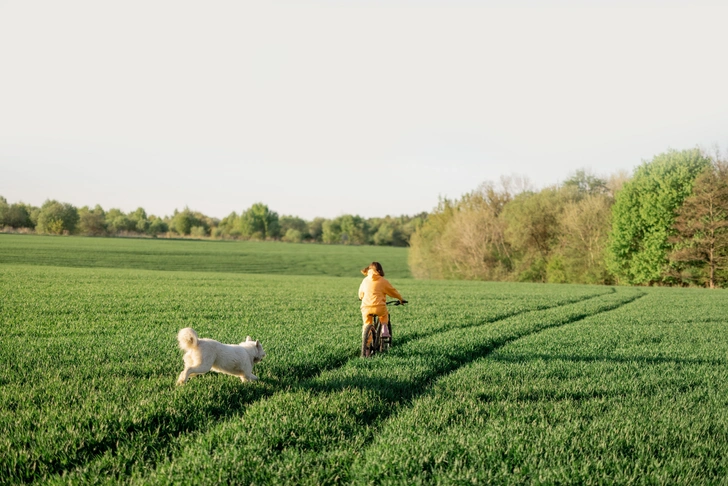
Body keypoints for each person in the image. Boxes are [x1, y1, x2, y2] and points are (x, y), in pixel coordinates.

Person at [358, 262, 405, 343]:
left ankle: (366, 348)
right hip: (379, 307)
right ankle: (384, 328)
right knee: (384, 315)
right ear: (380, 270)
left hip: (366, 307)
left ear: (369, 270)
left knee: (367, 324)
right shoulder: (383, 281)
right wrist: (400, 299)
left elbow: (360, 293)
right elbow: (393, 292)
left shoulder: (365, 280)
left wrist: (361, 298)